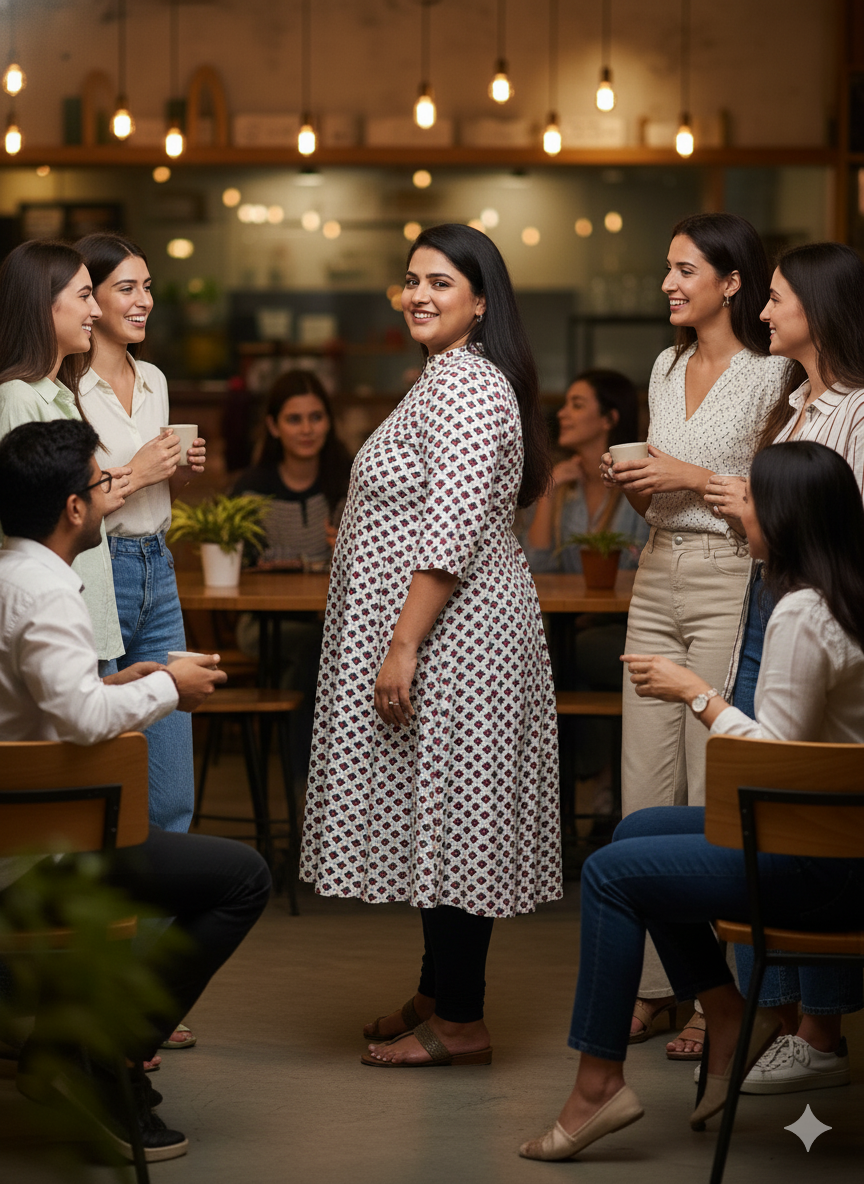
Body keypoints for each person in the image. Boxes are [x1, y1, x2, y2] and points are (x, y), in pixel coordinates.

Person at [519, 440, 864, 1161]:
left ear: (789, 516)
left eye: (751, 497)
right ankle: (727, 1013)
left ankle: (598, 1084)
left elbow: (771, 765)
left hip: (817, 864)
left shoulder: (804, 613)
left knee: (613, 876)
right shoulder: (845, 597)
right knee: (637, 829)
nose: (738, 506)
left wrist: (694, 694)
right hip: (839, 843)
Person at [300, 223, 561, 1067]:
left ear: (481, 302)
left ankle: (462, 1021)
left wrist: (403, 641)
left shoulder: (468, 386)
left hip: (458, 644)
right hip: (452, 639)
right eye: (410, 279)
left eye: (440, 282)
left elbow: (449, 529)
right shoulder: (445, 378)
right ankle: (435, 992)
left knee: (458, 821)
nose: (418, 294)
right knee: (436, 814)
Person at [0, 418, 271, 1163]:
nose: (107, 491)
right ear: (74, 509)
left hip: (19, 849)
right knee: (242, 879)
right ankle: (105, 1058)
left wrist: (128, 678)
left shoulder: (8, 577)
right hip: (31, 868)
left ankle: (59, 1053)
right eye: (99, 483)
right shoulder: (50, 594)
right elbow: (84, 722)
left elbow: (47, 702)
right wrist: (168, 691)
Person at [599, 213, 789, 1057]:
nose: (670, 283)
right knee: (644, 781)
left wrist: (684, 473)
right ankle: (657, 988)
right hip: (657, 571)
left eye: (685, 270)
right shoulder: (664, 364)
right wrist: (638, 479)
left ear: (732, 282)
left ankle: (722, 999)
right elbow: (658, 501)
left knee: (711, 784)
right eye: (667, 269)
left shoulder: (772, 373)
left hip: (728, 578)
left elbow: (771, 499)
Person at [703, 242, 864, 1094]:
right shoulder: (796, 401)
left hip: (818, 609)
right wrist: (749, 510)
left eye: (776, 298)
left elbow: (843, 529)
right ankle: (779, 1005)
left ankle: (820, 1027)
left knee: (807, 798)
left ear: (822, 305)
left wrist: (752, 502)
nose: (764, 313)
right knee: (755, 795)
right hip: (770, 603)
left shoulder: (860, 413)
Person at [76, 231, 206, 837]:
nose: (143, 300)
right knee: (101, 754)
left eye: (147, 287)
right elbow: (70, 507)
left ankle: (157, 928)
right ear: (90, 300)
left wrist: (175, 473)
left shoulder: (153, 377)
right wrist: (142, 470)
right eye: (126, 287)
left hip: (159, 563)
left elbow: (158, 499)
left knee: (171, 772)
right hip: (98, 572)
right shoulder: (67, 391)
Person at [520, 369, 649, 811]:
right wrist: (548, 493)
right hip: (569, 626)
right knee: (561, 657)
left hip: (628, 630)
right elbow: (535, 567)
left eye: (577, 404)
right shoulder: (565, 487)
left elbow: (647, 565)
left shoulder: (640, 487)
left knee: (566, 658)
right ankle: (599, 787)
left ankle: (587, 787)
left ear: (610, 418)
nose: (564, 414)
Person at [0, 239, 131, 672]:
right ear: (44, 305)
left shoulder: (58, 393)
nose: (95, 310)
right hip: (56, 629)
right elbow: (24, 522)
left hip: (86, 620)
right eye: (83, 295)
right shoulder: (18, 398)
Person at [232, 370, 353, 780]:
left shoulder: (351, 480)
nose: (307, 429)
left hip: (335, 621)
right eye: (294, 419)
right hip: (262, 624)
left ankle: (319, 781)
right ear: (273, 426)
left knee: (319, 651)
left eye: (316, 417)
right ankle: (309, 784)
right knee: (315, 651)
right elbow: (241, 566)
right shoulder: (252, 487)